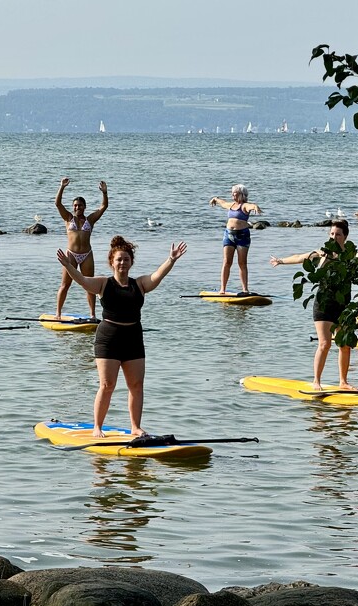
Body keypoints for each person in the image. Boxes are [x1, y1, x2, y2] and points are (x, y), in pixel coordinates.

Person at [57, 235, 187, 437]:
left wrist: (171, 260)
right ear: (112, 262)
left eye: (126, 259)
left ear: (131, 262)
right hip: (108, 338)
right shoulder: (103, 284)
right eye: (119, 259)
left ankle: (135, 426)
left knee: (136, 385)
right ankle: (97, 427)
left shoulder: (140, 284)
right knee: (107, 385)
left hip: (133, 337)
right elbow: (82, 281)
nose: (122, 263)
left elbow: (157, 276)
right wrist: (68, 265)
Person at [269, 220, 354, 391]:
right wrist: (281, 261)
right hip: (324, 303)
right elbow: (300, 257)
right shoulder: (322, 254)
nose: (334, 237)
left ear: (345, 236)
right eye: (331, 234)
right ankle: (316, 381)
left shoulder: (350, 256)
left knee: (344, 345)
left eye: (337, 234)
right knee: (325, 344)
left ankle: (343, 382)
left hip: (343, 303)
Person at [54, 177, 109, 319]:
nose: (77, 207)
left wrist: (104, 192)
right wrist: (62, 187)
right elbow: (58, 204)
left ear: (84, 207)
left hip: (87, 255)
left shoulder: (90, 220)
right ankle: (58, 314)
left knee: (89, 285)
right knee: (65, 285)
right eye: (75, 205)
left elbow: (103, 207)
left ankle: (92, 315)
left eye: (80, 205)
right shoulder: (68, 218)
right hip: (71, 255)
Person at [209, 184, 262, 293]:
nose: (233, 195)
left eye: (235, 193)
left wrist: (255, 207)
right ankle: (222, 289)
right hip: (228, 235)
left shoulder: (244, 206)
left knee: (242, 263)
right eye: (232, 193)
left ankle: (245, 289)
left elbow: (251, 206)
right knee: (227, 262)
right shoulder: (231, 205)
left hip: (242, 236)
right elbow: (223, 203)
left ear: (241, 195)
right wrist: (215, 199)